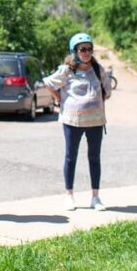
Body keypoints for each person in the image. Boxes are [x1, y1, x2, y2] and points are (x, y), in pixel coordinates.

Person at [43, 33, 111, 211]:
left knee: (94, 158)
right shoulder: (66, 70)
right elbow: (48, 83)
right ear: (74, 51)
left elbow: (107, 91)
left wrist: (94, 102)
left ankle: (95, 197)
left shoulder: (98, 69)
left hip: (95, 122)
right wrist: (59, 98)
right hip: (72, 121)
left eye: (89, 49)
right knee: (70, 157)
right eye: (82, 50)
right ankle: (69, 195)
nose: (86, 53)